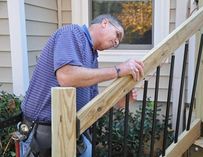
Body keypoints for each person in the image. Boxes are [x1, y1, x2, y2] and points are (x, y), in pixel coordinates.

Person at [20, 14, 144, 157]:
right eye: (117, 34)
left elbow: (92, 104)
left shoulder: (92, 56)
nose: (116, 41)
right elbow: (66, 76)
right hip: (43, 135)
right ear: (105, 23)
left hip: (73, 133)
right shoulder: (72, 33)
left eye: (118, 41)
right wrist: (118, 70)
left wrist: (119, 100)